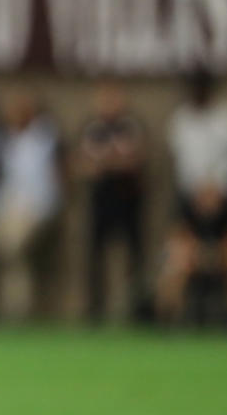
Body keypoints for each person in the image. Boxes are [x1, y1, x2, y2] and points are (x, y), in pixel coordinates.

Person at [157, 68, 227, 323]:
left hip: (225, 204)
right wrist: (198, 194)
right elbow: (182, 166)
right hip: (190, 204)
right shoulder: (181, 121)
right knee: (175, 260)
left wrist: (216, 189)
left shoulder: (226, 118)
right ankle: (171, 322)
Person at [0, 89, 63, 320]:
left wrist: (44, 210)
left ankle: (19, 310)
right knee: (10, 260)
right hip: (10, 210)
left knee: (16, 254)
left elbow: (54, 178)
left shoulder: (45, 139)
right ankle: (14, 309)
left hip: (37, 210)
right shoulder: (6, 140)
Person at [77, 83, 147, 321]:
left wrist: (107, 162)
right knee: (95, 257)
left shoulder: (130, 126)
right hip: (101, 200)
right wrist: (112, 162)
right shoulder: (93, 128)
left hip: (128, 200)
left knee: (133, 256)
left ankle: (136, 309)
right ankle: (94, 309)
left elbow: (135, 161)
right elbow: (85, 167)